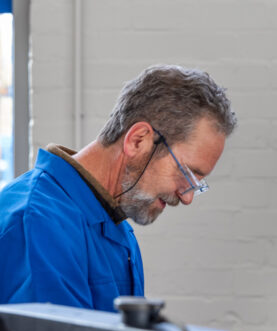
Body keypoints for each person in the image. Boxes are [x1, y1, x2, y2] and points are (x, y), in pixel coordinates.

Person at [0, 65, 236, 312]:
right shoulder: (39, 222)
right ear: (138, 141)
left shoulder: (117, 226)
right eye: (187, 172)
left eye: (197, 184)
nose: (187, 197)